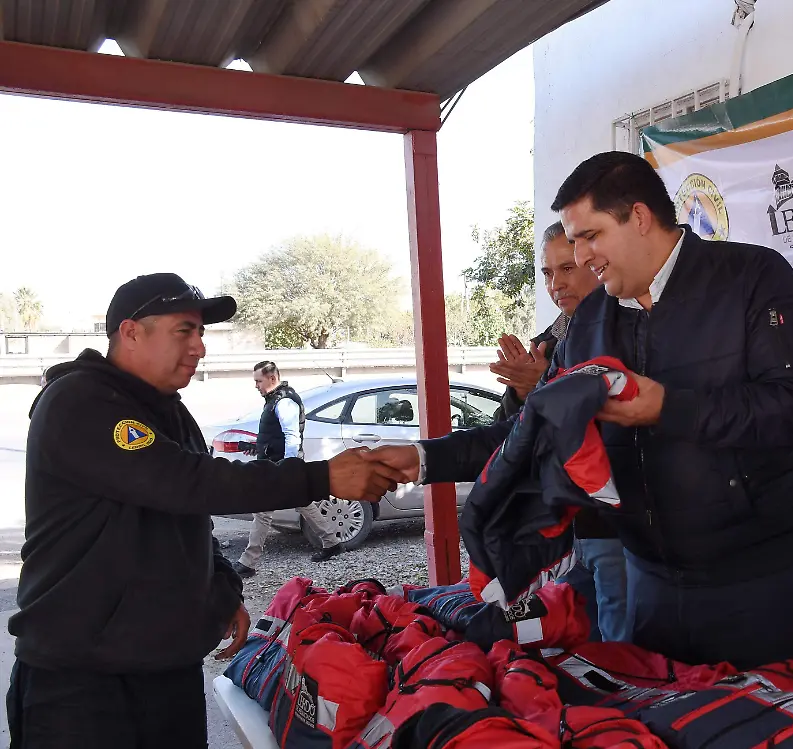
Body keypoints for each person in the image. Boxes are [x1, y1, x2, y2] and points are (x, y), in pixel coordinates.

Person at [365, 152, 793, 670]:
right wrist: (424, 459)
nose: (582, 255)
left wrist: (668, 408)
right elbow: (530, 434)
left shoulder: (750, 276)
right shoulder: (589, 322)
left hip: (761, 583)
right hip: (650, 584)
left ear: (638, 217)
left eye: (590, 236)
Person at [7, 273, 398, 749]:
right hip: (82, 680)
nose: (199, 348)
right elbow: (187, 482)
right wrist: (322, 477)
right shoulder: (80, 400)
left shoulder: (169, 410)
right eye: (183, 331)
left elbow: (186, 513)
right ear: (131, 332)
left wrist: (217, 586)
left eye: (201, 333)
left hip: (165, 671)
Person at [489, 222, 628, 643]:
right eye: (548, 274)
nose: (556, 285)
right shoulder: (549, 342)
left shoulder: (629, 328)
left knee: (625, 651)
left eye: (566, 269)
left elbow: (620, 423)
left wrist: (544, 390)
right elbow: (508, 438)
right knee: (574, 641)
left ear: (595, 263)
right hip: (570, 530)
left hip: (617, 526)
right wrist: (521, 394)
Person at [231, 361, 344, 577]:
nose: (256, 385)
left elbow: (291, 437)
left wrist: (288, 468)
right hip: (278, 464)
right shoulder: (274, 400)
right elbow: (276, 437)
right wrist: (256, 448)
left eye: (258, 381)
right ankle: (331, 542)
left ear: (272, 379)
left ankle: (248, 562)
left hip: (281, 466)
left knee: (262, 510)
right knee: (302, 502)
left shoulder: (284, 402)